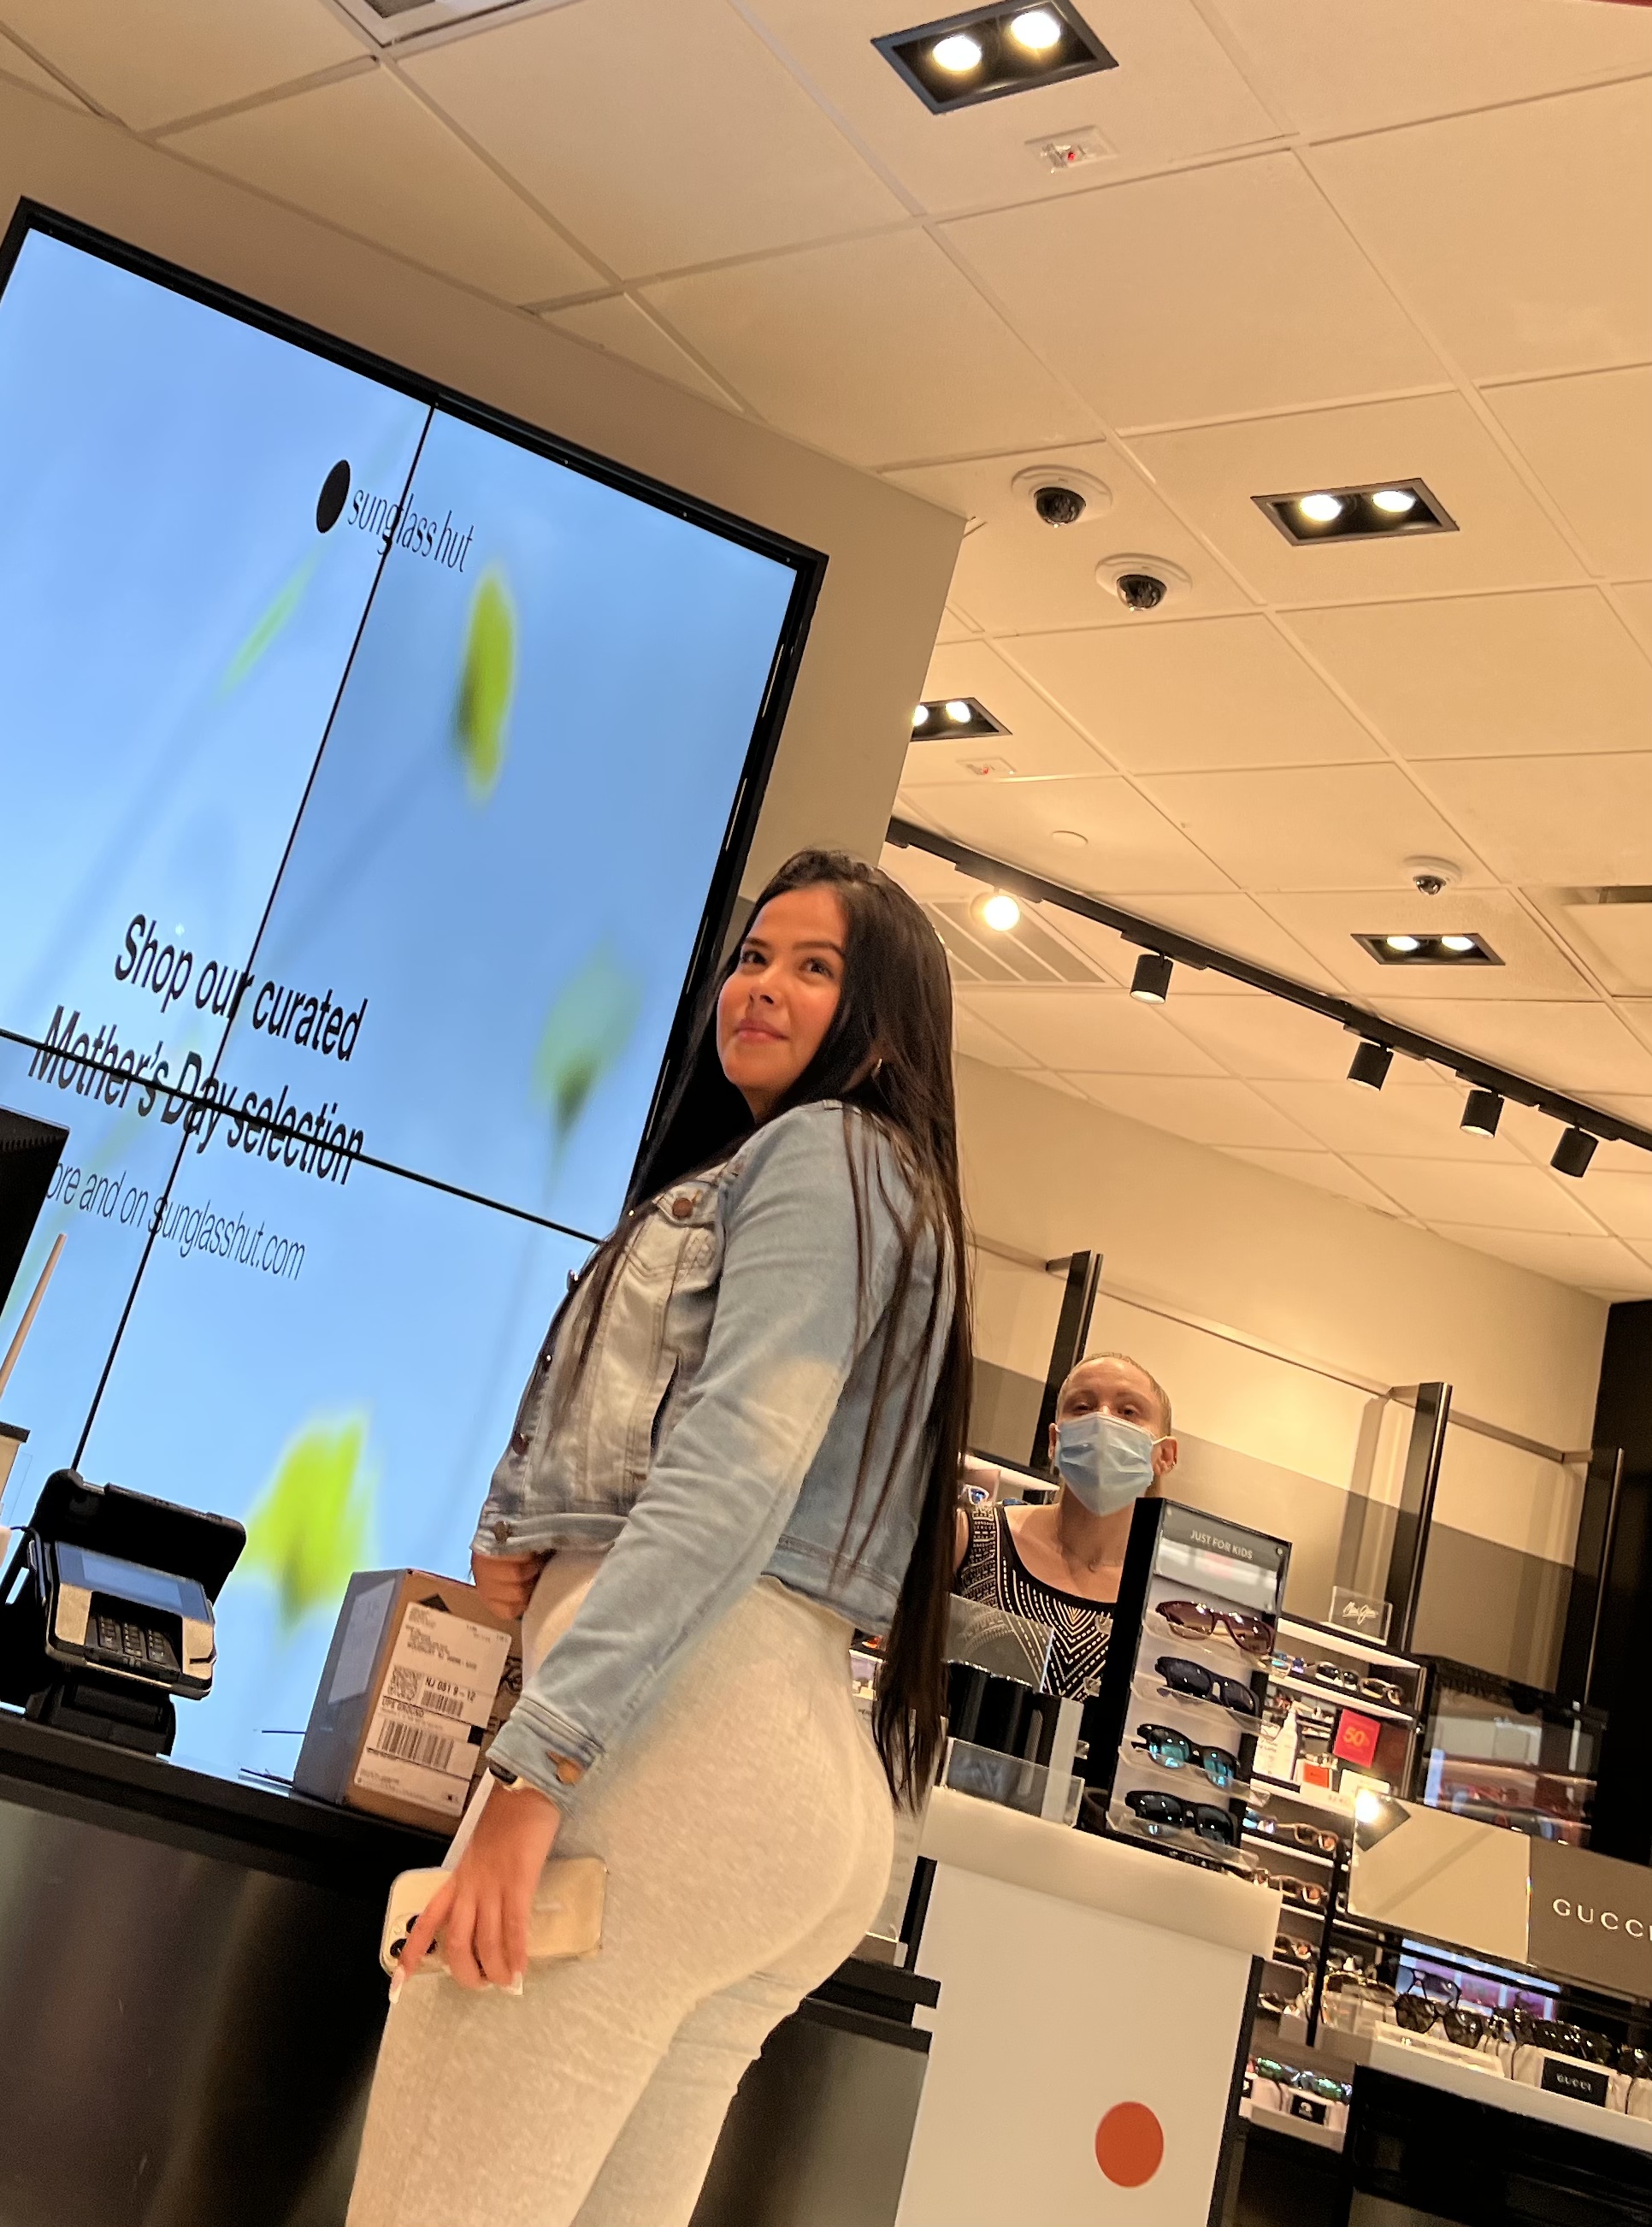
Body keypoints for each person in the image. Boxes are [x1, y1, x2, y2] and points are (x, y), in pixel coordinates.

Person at [346, 849, 971, 2227]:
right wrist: (543, 1534)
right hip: (793, 1766)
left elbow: (733, 1475)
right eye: (756, 956)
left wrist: (536, 1774)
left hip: (674, 1749)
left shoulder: (819, 1151)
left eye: (817, 969)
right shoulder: (896, 1189)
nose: (764, 986)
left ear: (881, 1026)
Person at [953, 1354, 1177, 1698]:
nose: (1103, 1419)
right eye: (1083, 1407)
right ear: (1055, 1441)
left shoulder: (1170, 1604)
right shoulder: (970, 1536)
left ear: (1165, 1455)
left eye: (1128, 1411)